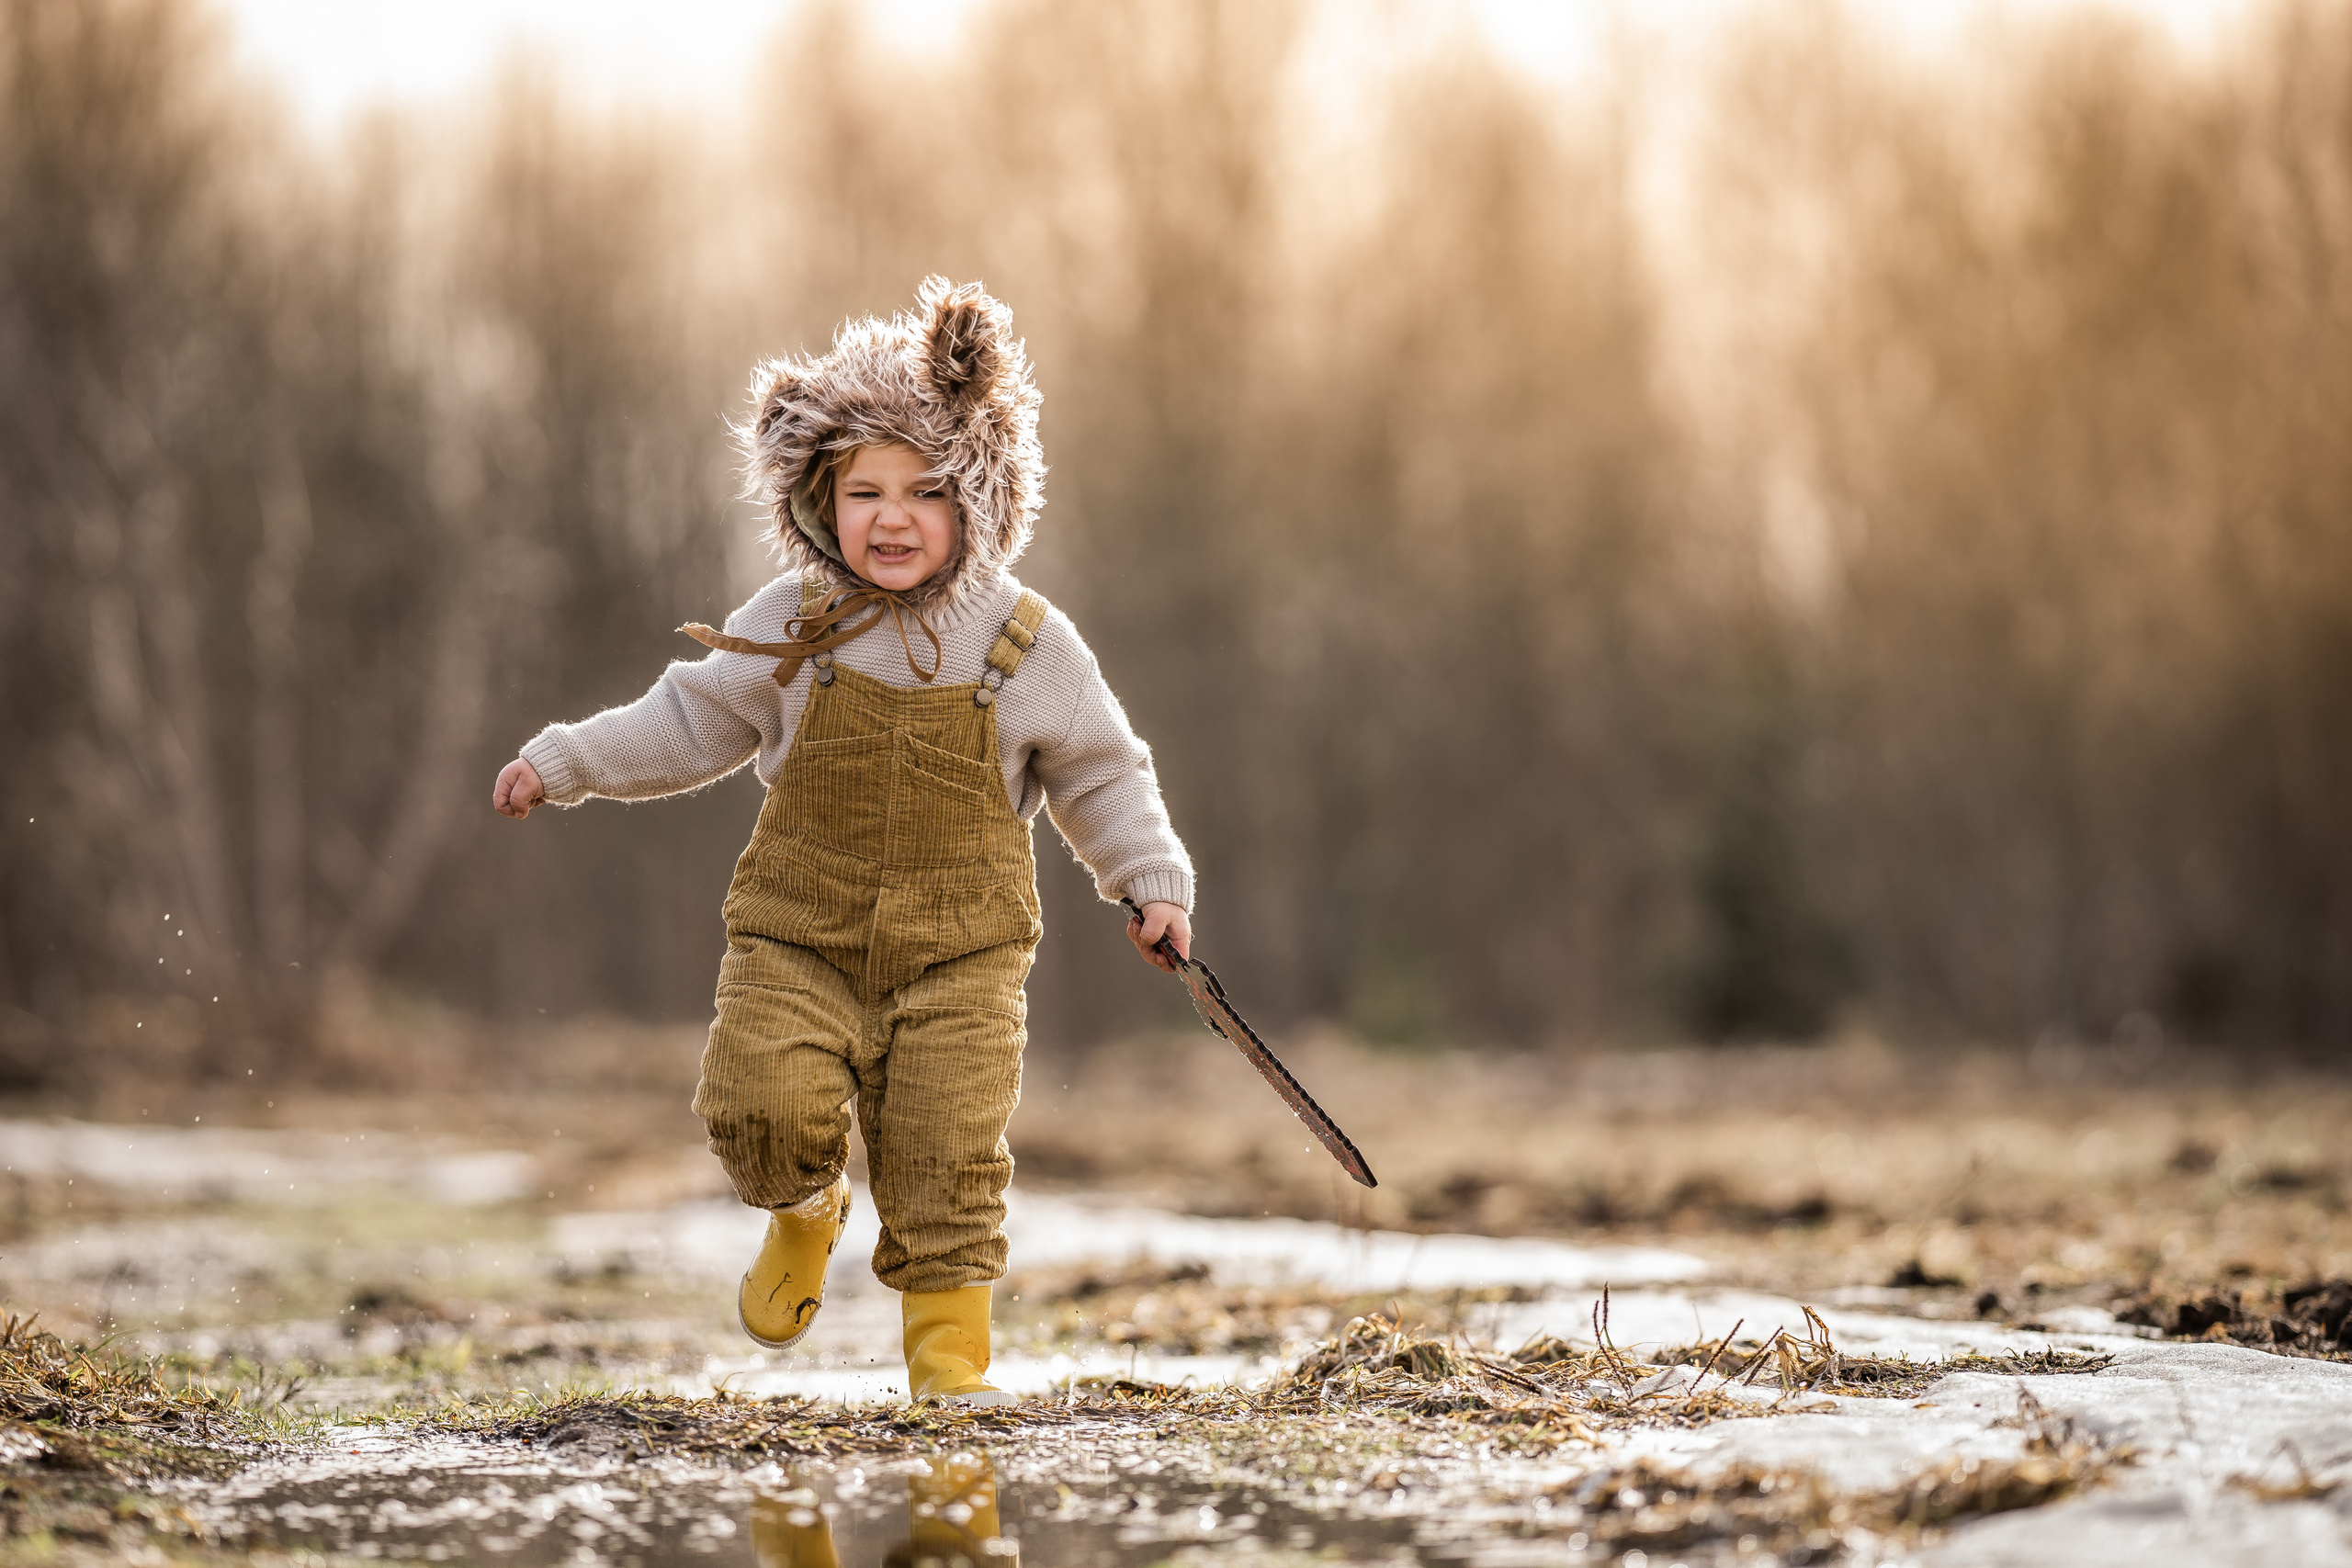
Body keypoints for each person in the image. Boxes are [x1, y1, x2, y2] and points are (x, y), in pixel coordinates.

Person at [491, 278, 1193, 1405]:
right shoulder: (794, 620)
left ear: (983, 499)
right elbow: (687, 720)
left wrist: (1148, 881)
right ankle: (803, 1209)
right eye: (861, 489)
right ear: (817, 499)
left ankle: (948, 1376)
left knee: (945, 1157)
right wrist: (566, 762)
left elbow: (1101, 770)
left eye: (926, 489)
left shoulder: (1025, 645)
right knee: (757, 1101)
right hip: (798, 938)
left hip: (961, 959)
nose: (892, 515)